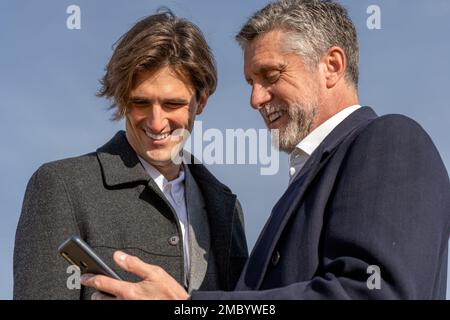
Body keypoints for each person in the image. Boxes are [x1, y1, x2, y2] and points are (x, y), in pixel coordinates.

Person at [81, 0, 450, 300]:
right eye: (250, 82)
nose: (255, 98)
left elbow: (373, 294)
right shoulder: (307, 181)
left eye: (270, 76)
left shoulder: (390, 141)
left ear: (332, 66)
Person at [13, 10, 248, 300]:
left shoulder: (227, 208)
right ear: (122, 100)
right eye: (140, 102)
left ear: (201, 102)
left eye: (173, 104)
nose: (156, 122)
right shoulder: (61, 186)